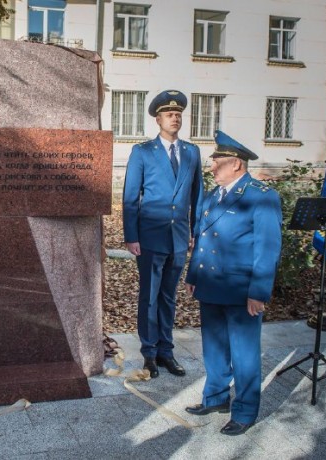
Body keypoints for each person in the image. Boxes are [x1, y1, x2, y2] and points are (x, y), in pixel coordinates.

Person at [184, 130, 282, 436]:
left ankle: (244, 411)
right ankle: (215, 398)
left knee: (244, 354)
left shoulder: (261, 197)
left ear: (236, 164)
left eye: (217, 162)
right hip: (211, 284)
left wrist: (258, 292)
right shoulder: (213, 196)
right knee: (213, 347)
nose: (212, 167)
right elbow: (201, 239)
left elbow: (267, 249)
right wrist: (193, 276)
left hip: (241, 291)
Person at [122, 90, 203, 378]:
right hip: (150, 236)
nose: (175, 118)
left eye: (179, 114)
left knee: (169, 297)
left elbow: (198, 195)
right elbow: (131, 196)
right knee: (150, 296)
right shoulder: (142, 152)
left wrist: (196, 231)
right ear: (158, 119)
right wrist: (131, 236)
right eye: (169, 114)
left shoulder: (192, 152)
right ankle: (149, 353)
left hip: (179, 237)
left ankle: (167, 351)